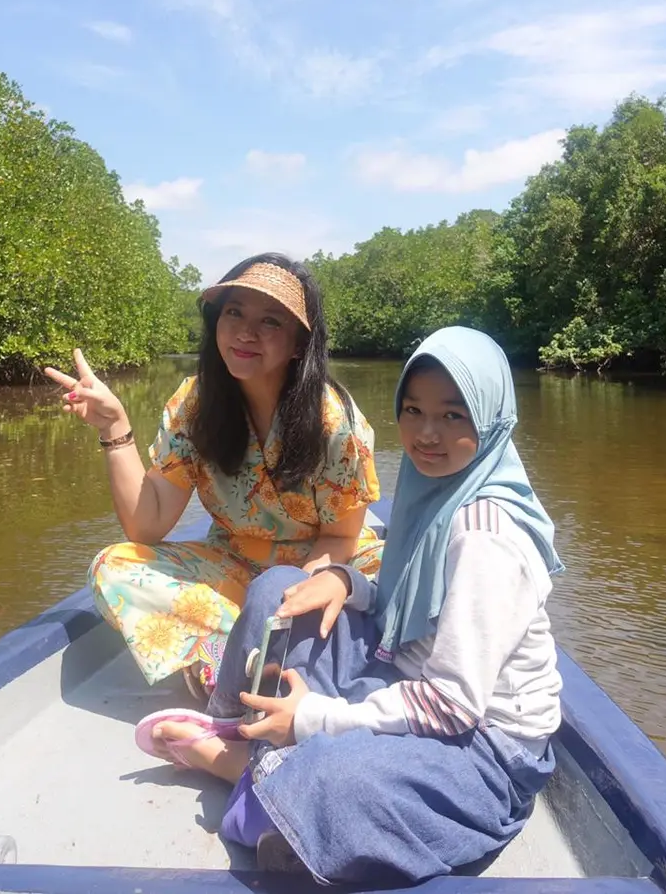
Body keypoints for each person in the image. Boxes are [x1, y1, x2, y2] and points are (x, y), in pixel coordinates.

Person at [140, 326, 565, 885]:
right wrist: (344, 579)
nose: (426, 433)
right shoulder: (430, 487)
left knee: (336, 787)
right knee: (281, 592)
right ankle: (250, 735)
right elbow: (406, 605)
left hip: (484, 749)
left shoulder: (487, 537)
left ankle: (243, 765)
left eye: (454, 416)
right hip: (401, 676)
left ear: (491, 420)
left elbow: (454, 706)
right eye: (413, 410)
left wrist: (315, 719)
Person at [45, 253, 383, 696]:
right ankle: (232, 655)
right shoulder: (195, 404)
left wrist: (285, 598)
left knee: (385, 587)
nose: (245, 332)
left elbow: (339, 540)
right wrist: (114, 427)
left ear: (299, 343)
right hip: (235, 568)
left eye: (270, 322)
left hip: (319, 567)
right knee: (112, 567)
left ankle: (254, 654)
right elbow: (146, 525)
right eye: (234, 313)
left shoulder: (331, 421)